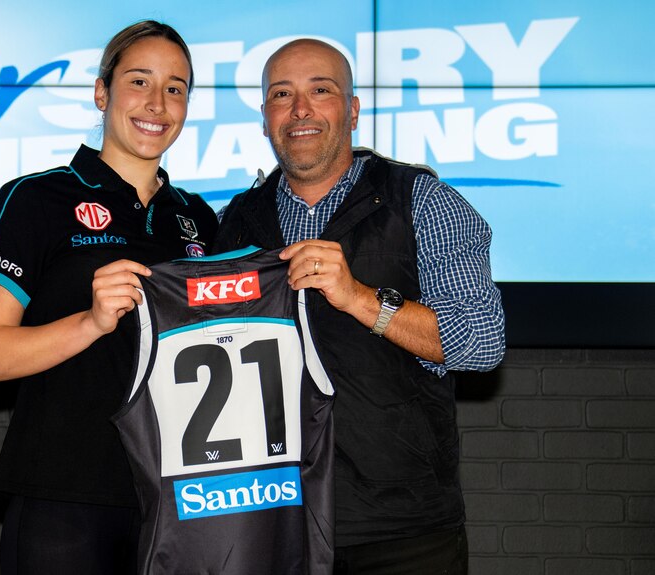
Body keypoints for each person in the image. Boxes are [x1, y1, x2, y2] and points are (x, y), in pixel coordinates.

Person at [212, 39, 505, 575]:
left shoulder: (422, 201)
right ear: (264, 117)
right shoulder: (234, 222)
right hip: (267, 524)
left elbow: (483, 343)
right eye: (282, 94)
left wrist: (362, 300)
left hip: (400, 531)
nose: (300, 110)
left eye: (319, 90)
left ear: (351, 109)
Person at [0, 21, 217, 575]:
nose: (157, 103)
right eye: (139, 81)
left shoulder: (198, 219)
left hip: (180, 498)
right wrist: (92, 321)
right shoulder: (35, 198)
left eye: (175, 88)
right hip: (65, 494)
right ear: (102, 93)